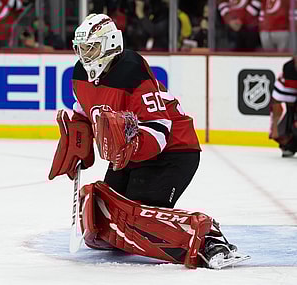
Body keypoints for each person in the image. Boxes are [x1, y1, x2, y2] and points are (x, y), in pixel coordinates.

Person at [48, 13, 249, 269]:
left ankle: (209, 239)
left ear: (110, 44)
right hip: (131, 155)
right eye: (82, 48)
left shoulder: (131, 70)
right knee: (107, 209)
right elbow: (84, 110)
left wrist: (128, 149)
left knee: (135, 219)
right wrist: (78, 138)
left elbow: (160, 128)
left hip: (173, 152)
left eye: (92, 47)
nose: (86, 55)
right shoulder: (80, 74)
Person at [269, 57, 297, 157]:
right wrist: (275, 128)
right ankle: (290, 145)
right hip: (291, 102)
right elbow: (277, 101)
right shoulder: (289, 70)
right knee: (284, 132)